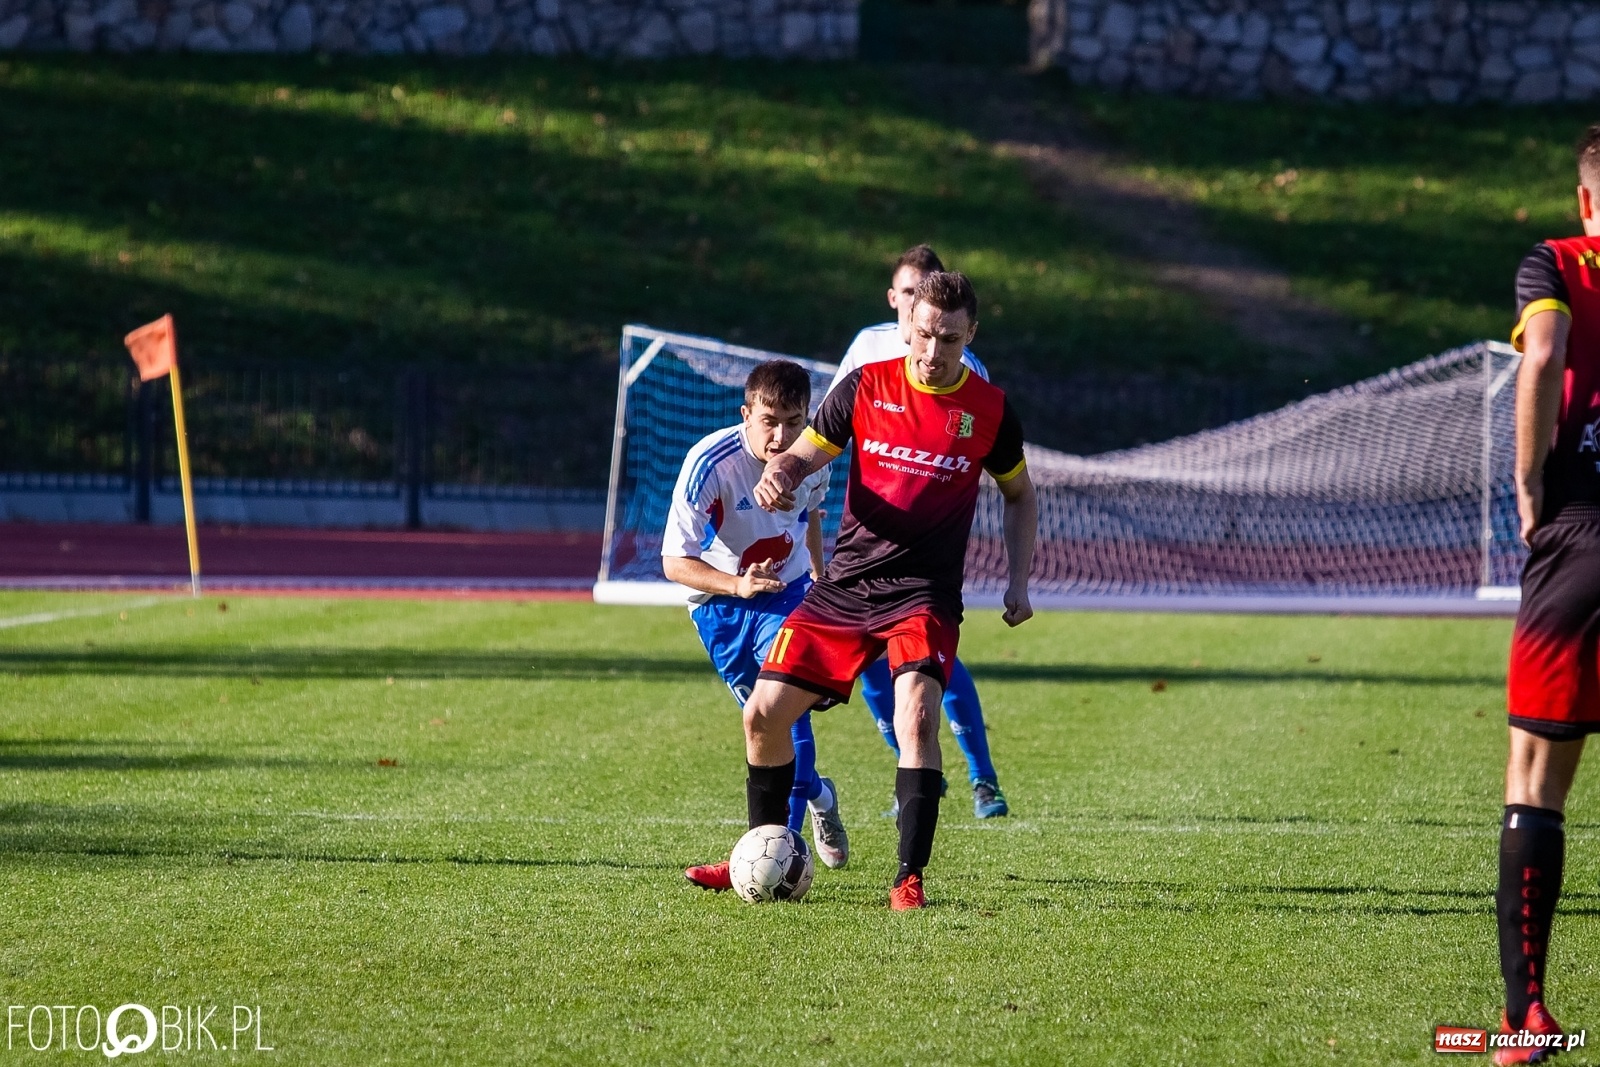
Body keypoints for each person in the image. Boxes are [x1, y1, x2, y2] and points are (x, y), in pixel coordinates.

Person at [701, 271, 1037, 910]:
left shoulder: (989, 410)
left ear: (971, 335)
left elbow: (1020, 495)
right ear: (909, 324)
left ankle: (908, 879)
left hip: (924, 592)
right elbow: (801, 453)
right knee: (762, 716)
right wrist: (781, 472)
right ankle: (762, 851)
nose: (933, 352)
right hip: (848, 585)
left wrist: (1019, 582)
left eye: (950, 340)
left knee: (915, 717)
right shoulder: (866, 385)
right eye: (925, 334)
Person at [832, 244, 1008, 820]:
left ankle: (984, 779)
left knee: (936, 671)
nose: (917, 306)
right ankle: (915, 775)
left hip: (927, 552)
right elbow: (836, 424)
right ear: (894, 300)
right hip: (867, 539)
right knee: (872, 672)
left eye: (924, 292)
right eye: (907, 294)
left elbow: (969, 445)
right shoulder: (868, 349)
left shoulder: (959, 365)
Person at [662, 360, 850, 889]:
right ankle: (820, 796)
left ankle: (772, 856)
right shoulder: (709, 463)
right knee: (761, 725)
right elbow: (675, 563)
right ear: (746, 414)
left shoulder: (815, 460)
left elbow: (811, 517)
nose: (782, 435)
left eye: (794, 421)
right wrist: (739, 583)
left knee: (782, 713)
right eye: (769, 420)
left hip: (787, 596)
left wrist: (816, 575)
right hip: (719, 606)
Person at [1495, 123, 1600, 1064]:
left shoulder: (1560, 262)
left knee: (1536, 779)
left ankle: (1527, 1020)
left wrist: (1530, 485)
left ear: (1585, 201)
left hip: (1581, 533)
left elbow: (1543, 356)